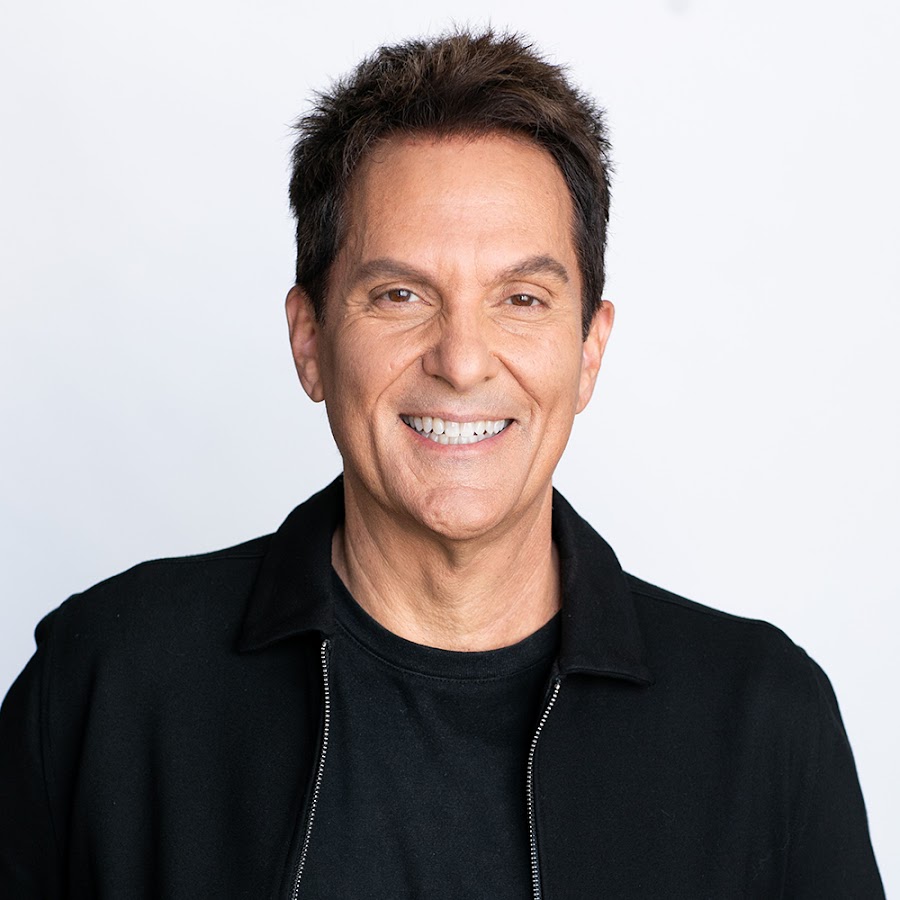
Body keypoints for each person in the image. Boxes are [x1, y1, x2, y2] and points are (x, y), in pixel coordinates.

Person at [0, 29, 884, 899]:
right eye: (400, 295)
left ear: (589, 351)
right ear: (309, 340)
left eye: (522, 299)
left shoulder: (761, 722)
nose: (461, 361)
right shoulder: (105, 683)